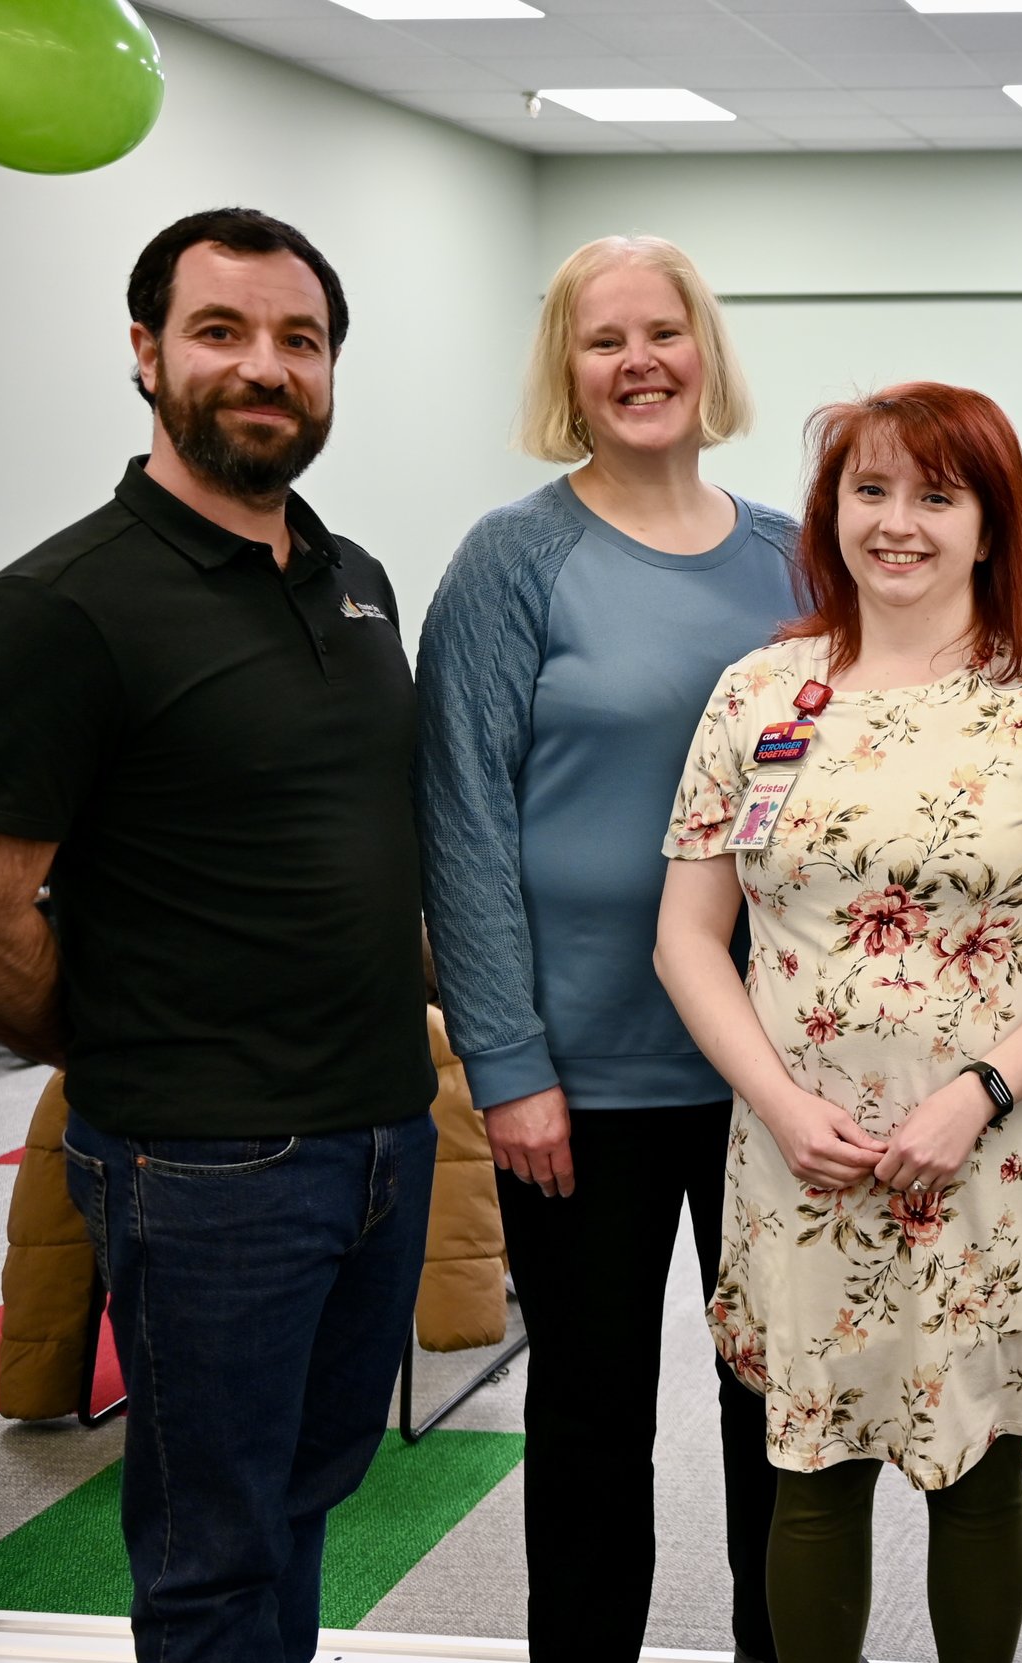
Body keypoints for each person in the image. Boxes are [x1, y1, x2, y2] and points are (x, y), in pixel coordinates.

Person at [0, 207, 436, 1663]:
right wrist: (121, 1047)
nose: (264, 367)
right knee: (213, 1551)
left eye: (300, 340)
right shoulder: (54, 610)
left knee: (308, 1497)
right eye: (222, 332)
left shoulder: (354, 582)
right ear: (147, 355)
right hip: (207, 1164)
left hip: (381, 1134)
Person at [654, 381, 1022, 1663]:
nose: (899, 524)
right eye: (870, 490)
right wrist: (776, 1102)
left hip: (994, 1146)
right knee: (810, 1464)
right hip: (801, 1151)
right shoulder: (759, 693)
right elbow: (686, 938)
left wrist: (974, 1093)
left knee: (975, 1463)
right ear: (830, 513)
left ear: (993, 524)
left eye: (938, 495)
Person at [416, 235, 795, 1663]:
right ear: (565, 375)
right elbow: (458, 816)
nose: (639, 362)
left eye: (664, 331)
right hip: (578, 1087)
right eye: (602, 339)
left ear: (707, 352)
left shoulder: (794, 553)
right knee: (589, 1425)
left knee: (782, 1423)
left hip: (772, 1077)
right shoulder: (516, 560)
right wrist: (509, 1063)